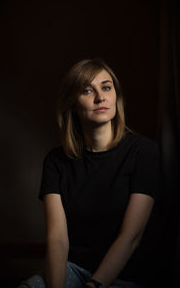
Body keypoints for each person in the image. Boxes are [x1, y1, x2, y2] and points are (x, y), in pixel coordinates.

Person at [18, 57, 161, 288]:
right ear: (72, 104)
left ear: (116, 96)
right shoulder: (56, 161)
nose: (100, 97)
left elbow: (131, 237)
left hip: (125, 276)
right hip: (72, 269)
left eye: (106, 87)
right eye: (87, 90)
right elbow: (58, 239)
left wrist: (94, 285)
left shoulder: (143, 152)